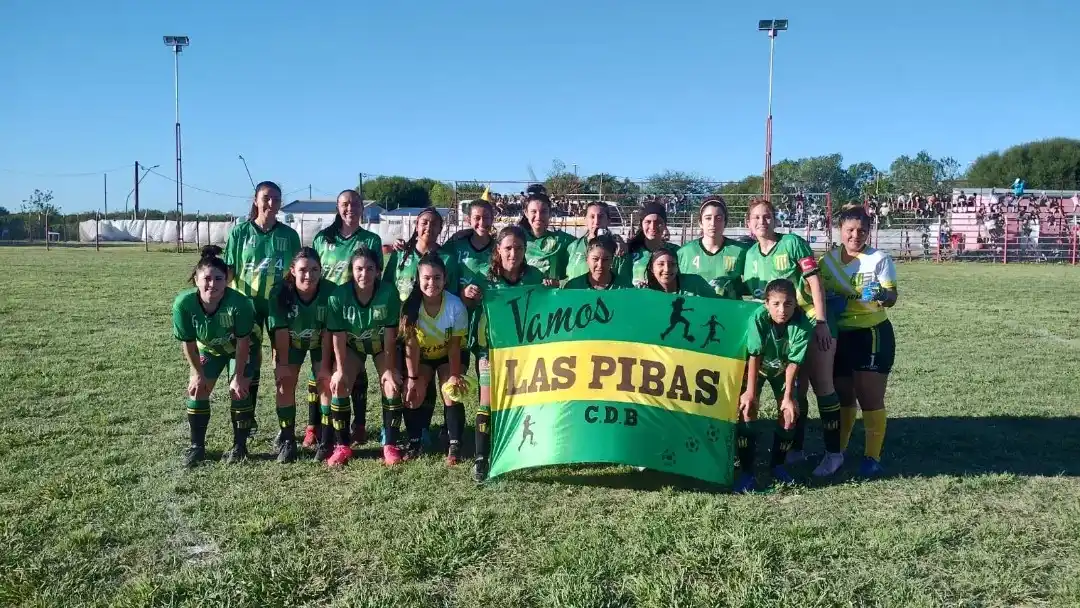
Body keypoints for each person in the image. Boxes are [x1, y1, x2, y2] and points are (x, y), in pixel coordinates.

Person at [742, 198, 843, 477]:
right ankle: (795, 449)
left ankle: (834, 453)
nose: (762, 221)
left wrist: (821, 321)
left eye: (767, 216)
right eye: (756, 217)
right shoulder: (749, 255)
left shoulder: (792, 243)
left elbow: (814, 280)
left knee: (823, 386)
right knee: (797, 389)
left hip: (808, 321)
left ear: (775, 219)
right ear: (749, 223)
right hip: (780, 331)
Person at [461, 225, 546, 481]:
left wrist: (550, 289)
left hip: (525, 350)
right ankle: (481, 457)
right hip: (490, 349)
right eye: (508, 248)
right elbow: (468, 304)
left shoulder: (534, 276)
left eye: (519, 248)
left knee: (524, 398)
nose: (513, 253)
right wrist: (468, 295)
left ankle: (522, 448)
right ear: (498, 249)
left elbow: (545, 307)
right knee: (487, 401)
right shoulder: (483, 277)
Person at [818, 205, 898, 477]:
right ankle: (837, 452)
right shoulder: (827, 261)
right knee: (844, 397)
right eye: (850, 230)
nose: (855, 235)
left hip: (871, 333)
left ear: (868, 232)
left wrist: (881, 295)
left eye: (862, 231)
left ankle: (872, 456)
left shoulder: (879, 259)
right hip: (839, 335)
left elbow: (892, 297)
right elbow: (816, 293)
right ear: (839, 230)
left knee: (869, 397)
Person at [223, 181, 301, 441]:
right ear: (255, 200)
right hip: (248, 308)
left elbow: (296, 273)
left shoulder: (289, 235)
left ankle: (284, 427)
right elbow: (230, 269)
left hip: (280, 307)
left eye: (276, 199)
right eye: (266, 197)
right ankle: (247, 419)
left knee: (282, 363)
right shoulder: (240, 233)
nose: (271, 203)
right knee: (248, 362)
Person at [172, 246, 256, 467]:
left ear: (227, 280)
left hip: (239, 350)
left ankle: (240, 446)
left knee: (239, 391)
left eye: (218, 279)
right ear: (196, 279)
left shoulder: (240, 303)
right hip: (209, 349)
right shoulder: (184, 304)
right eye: (206, 278)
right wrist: (197, 374)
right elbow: (188, 343)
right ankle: (197, 447)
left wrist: (238, 376)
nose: (212, 284)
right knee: (197, 390)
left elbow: (243, 343)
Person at [382, 206, 459, 446]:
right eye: (424, 222)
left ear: (441, 228)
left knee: (425, 378)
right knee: (401, 379)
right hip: (402, 329)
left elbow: (450, 293)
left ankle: (423, 428)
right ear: (416, 225)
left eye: (434, 223)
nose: (429, 227)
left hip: (432, 330)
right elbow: (387, 287)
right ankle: (396, 429)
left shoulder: (446, 258)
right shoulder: (401, 255)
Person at [312, 189, 383, 448]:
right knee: (321, 368)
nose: (350, 208)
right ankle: (316, 426)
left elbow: (376, 277)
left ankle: (359, 424)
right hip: (324, 311)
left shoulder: (371, 240)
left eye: (355, 203)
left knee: (355, 368)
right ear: (337, 207)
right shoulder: (322, 238)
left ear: (362, 208)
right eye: (345, 203)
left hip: (356, 315)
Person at [326, 248, 403, 467]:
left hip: (381, 346)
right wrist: (340, 370)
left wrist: (389, 369)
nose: (364, 274)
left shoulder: (388, 293)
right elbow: (338, 336)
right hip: (353, 347)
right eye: (359, 269)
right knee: (339, 385)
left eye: (370, 269)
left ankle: (390, 445)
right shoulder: (338, 296)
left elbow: (390, 335)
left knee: (391, 385)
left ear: (378, 271)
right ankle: (342, 445)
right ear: (351, 270)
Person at [735, 278, 813, 492]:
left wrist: (788, 397)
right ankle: (747, 471)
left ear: (795, 303)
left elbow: (794, 363)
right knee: (747, 408)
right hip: (757, 368)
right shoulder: (758, 317)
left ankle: (778, 465)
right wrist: (750, 392)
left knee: (789, 413)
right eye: (776, 304)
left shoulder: (803, 324)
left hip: (782, 370)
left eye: (788, 304)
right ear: (766, 304)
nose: (782, 310)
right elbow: (754, 355)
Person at [267, 248, 336, 463]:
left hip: (320, 342)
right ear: (292, 271)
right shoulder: (279, 292)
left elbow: (329, 331)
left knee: (325, 382)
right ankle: (288, 440)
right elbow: (280, 331)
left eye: (314, 270)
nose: (309, 275)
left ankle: (326, 440)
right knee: (285, 383)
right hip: (290, 343)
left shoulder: (330, 291)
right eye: (303, 270)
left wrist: (324, 366)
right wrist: (282, 364)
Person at [399, 253, 469, 464]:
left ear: (445, 279)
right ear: (418, 279)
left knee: (450, 391)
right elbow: (411, 346)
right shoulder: (410, 307)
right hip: (423, 357)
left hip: (449, 355)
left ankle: (455, 444)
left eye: (437, 278)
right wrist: (412, 379)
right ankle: (414, 442)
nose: (432, 283)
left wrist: (455, 375)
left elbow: (455, 346)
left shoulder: (455, 305)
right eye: (426, 278)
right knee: (413, 393)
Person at [677, 197, 748, 299]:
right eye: (708, 218)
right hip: (694, 308)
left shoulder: (740, 251)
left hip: (728, 308)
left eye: (718, 218)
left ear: (725, 222)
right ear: (700, 222)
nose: (713, 223)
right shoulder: (684, 252)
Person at [520, 192, 575, 286]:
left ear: (550, 213)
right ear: (526, 213)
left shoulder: (563, 240)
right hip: (525, 293)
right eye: (533, 211)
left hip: (554, 294)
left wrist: (559, 283)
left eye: (543, 211)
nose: (538, 216)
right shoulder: (518, 241)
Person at [565, 201, 629, 282]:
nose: (596, 222)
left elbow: (624, 279)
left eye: (601, 217)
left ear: (608, 220)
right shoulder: (573, 247)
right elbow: (566, 277)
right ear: (585, 220)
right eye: (592, 217)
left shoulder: (618, 248)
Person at [627, 202, 679, 286]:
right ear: (641, 224)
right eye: (648, 222)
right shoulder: (630, 250)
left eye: (658, 222)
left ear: (665, 225)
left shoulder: (676, 252)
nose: (652, 227)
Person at [563, 234, 627, 290]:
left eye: (605, 260)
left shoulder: (625, 287)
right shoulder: (573, 287)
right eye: (595, 259)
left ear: (612, 260)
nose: (600, 265)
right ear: (587, 259)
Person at [645, 248, 716, 297]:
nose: (667, 269)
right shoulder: (645, 290)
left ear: (677, 267)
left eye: (672, 264)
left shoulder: (695, 283)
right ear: (651, 268)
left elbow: (716, 303)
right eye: (661, 264)